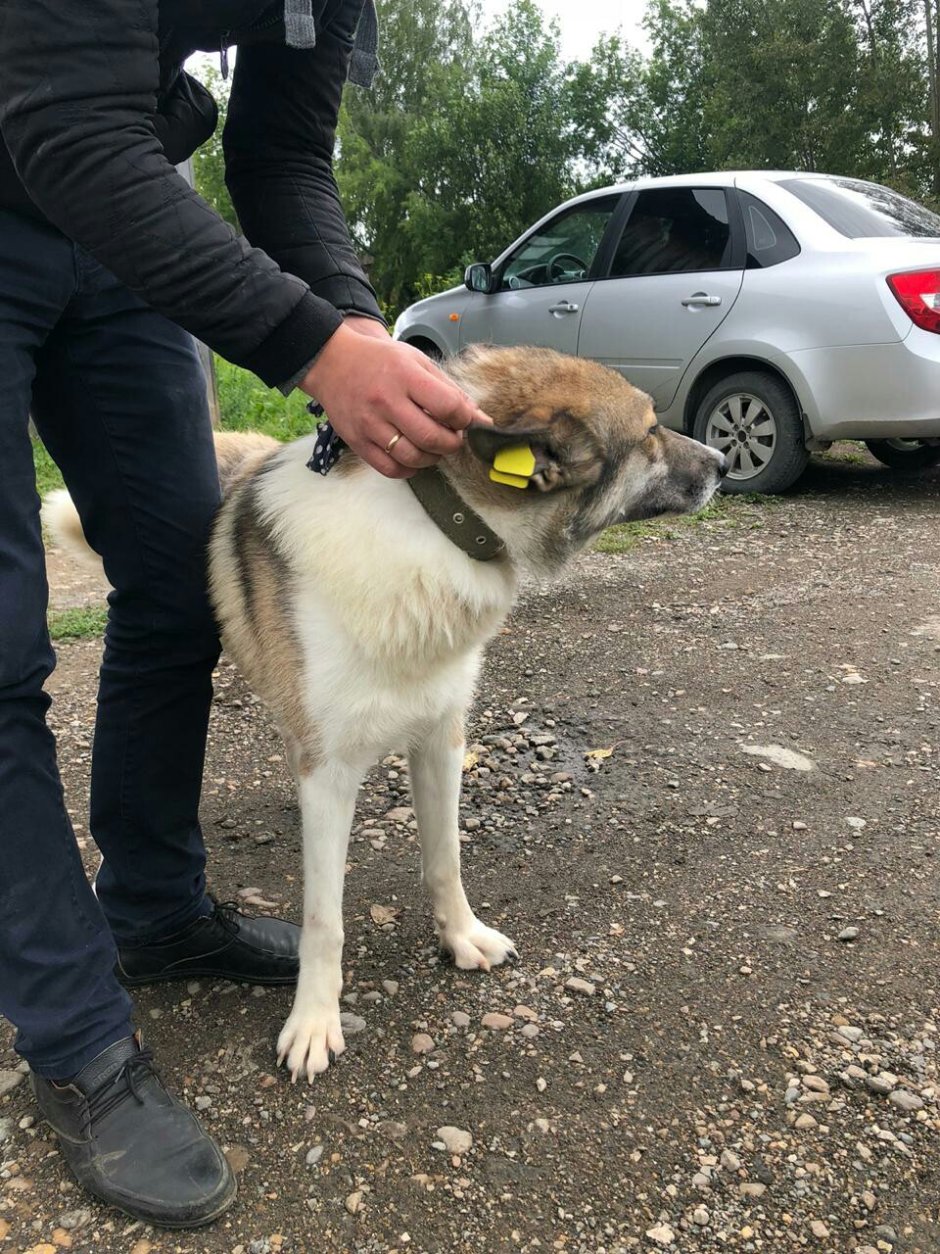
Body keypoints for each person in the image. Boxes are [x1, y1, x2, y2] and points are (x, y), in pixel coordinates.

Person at [0, 0, 487, 1229]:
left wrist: (354, 319)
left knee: (178, 582)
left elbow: (278, 157)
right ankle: (76, 1035)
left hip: (110, 223)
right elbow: (60, 116)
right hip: (60, 149)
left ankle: (155, 914)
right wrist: (310, 349)